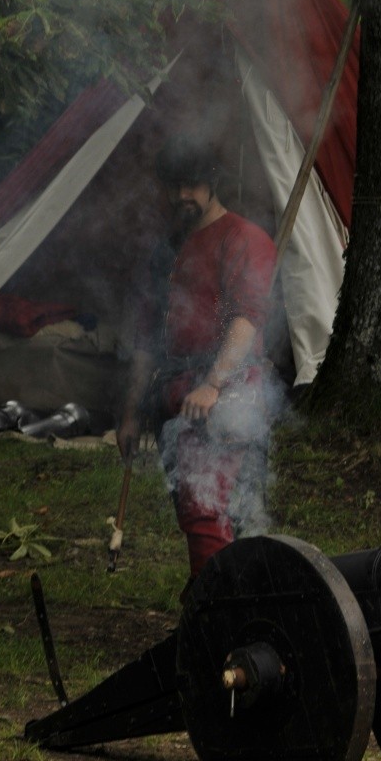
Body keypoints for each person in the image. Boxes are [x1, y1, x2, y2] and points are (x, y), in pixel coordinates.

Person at [117, 139, 277, 592]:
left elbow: (246, 318)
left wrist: (213, 384)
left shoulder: (243, 238)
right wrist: (131, 414)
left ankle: (219, 606)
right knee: (197, 510)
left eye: (191, 184)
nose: (180, 195)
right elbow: (146, 340)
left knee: (210, 509)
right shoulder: (165, 252)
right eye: (173, 186)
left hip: (227, 391)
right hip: (178, 393)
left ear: (212, 184)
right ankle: (227, 599)